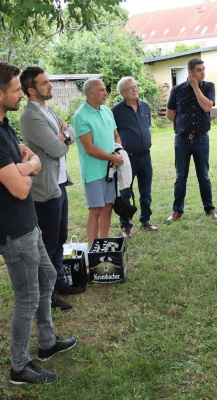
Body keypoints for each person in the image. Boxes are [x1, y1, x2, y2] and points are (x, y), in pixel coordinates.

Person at [0, 61, 76, 385]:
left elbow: (26, 156)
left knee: (47, 277)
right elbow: (20, 186)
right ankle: (19, 366)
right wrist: (29, 166)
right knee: (28, 297)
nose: (20, 94)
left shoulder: (5, 126)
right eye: (16, 89)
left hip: (29, 224)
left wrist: (26, 163)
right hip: (14, 233)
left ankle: (46, 344)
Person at [19, 66, 82, 312]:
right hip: (45, 188)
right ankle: (49, 293)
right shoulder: (30, 116)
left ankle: (60, 282)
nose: (51, 86)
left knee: (60, 237)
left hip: (59, 183)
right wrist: (65, 137)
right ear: (31, 89)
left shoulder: (48, 109)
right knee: (47, 243)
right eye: (45, 83)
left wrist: (64, 135)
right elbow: (56, 150)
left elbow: (71, 131)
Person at [166, 58, 217, 221]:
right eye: (199, 70)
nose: (203, 72)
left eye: (203, 69)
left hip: (201, 139)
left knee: (204, 176)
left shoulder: (209, 86)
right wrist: (182, 125)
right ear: (190, 72)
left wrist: (196, 87)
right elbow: (170, 114)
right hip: (181, 140)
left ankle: (209, 209)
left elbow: (207, 107)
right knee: (181, 176)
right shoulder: (177, 90)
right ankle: (177, 211)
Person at [73, 78, 123, 245]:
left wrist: (118, 153)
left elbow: (116, 135)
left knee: (108, 207)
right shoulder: (80, 116)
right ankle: (94, 247)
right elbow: (90, 148)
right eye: (102, 90)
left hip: (110, 169)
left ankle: (104, 243)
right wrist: (113, 158)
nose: (105, 93)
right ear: (91, 93)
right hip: (94, 172)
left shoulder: (107, 111)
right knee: (95, 210)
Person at [112, 76, 157, 237]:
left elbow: (147, 126)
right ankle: (126, 225)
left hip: (145, 156)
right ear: (123, 93)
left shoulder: (145, 106)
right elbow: (113, 133)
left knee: (146, 191)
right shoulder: (116, 111)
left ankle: (145, 220)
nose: (135, 89)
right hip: (127, 158)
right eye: (131, 88)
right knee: (125, 192)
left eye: (135, 86)